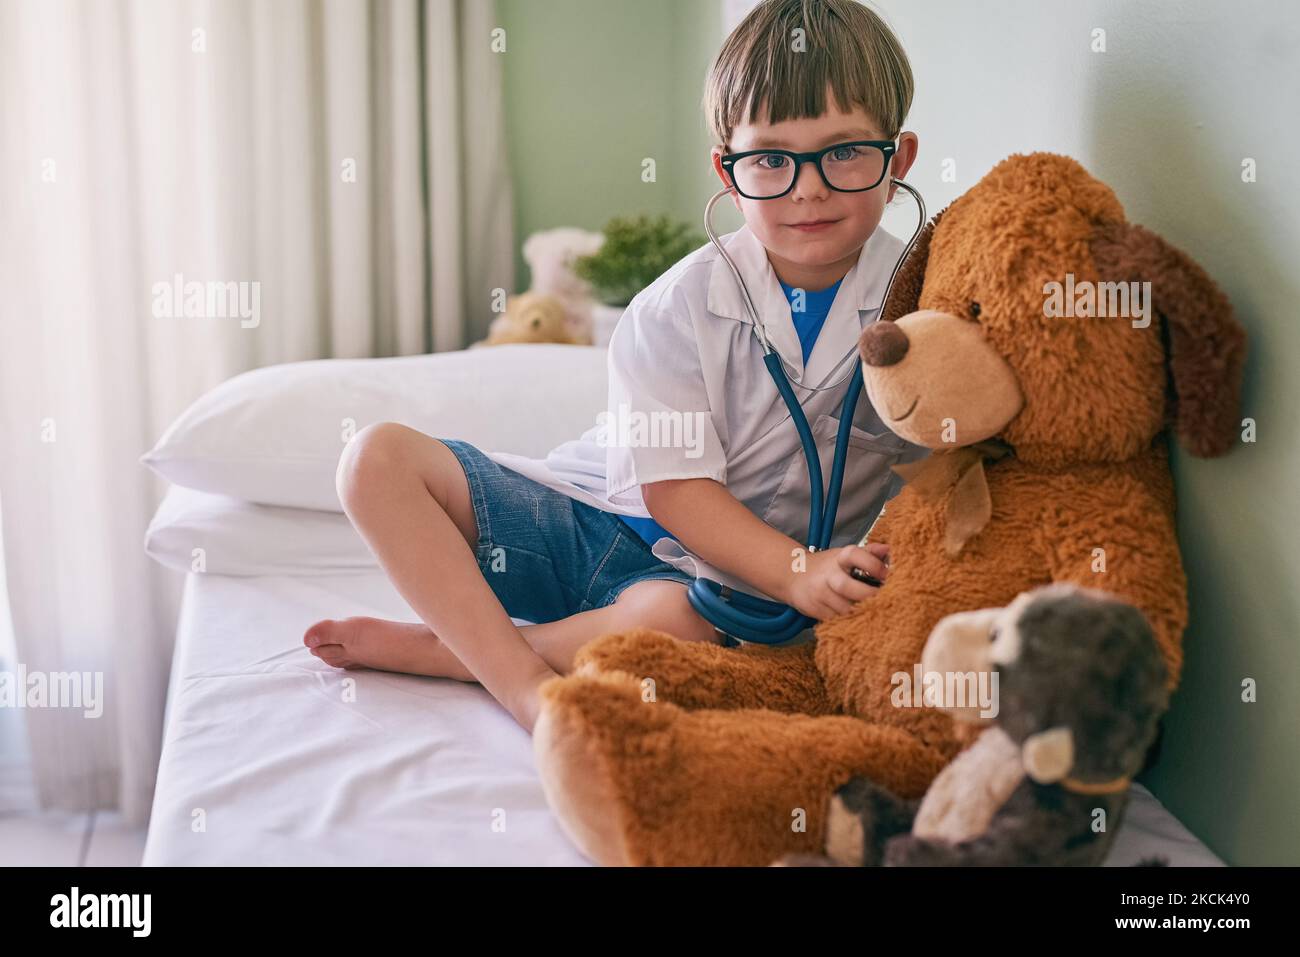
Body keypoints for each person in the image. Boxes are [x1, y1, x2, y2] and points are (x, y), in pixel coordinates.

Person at [303, 0, 923, 733]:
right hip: (589, 520)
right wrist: (800, 569)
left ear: (900, 160)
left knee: (676, 624)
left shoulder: (923, 311)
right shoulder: (678, 307)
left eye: (845, 151)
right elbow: (678, 492)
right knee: (373, 459)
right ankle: (522, 685)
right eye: (771, 159)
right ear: (728, 174)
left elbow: (935, 475)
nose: (808, 187)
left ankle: (454, 650)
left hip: (700, 585)